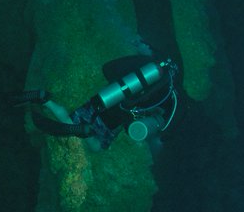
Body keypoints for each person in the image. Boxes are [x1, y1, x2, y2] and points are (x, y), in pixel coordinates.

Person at [12, 55, 180, 152]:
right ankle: (83, 130)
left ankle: (46, 100)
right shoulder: (171, 96)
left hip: (105, 98)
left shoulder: (147, 64)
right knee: (97, 147)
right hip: (116, 119)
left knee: (74, 119)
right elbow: (160, 130)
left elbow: (109, 68)